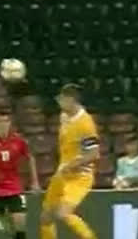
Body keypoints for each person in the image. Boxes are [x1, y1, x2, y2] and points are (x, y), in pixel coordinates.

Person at [40, 84, 100, 239]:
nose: (59, 102)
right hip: (62, 174)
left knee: (63, 213)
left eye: (61, 99)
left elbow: (93, 154)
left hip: (79, 176)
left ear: (71, 100)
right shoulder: (64, 117)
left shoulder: (85, 124)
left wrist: (74, 164)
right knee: (46, 217)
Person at [0, 111, 40, 239]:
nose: (3, 124)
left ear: (10, 123)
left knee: (20, 223)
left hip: (13, 187)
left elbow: (30, 158)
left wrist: (35, 181)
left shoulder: (19, 140)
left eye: (6, 121)